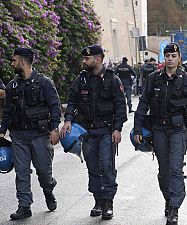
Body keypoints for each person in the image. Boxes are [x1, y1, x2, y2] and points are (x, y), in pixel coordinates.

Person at [133, 43, 187, 225]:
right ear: (164, 58)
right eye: (167, 55)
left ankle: (174, 208)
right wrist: (138, 128)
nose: (170, 58)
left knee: (175, 170)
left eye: (173, 55)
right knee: (164, 172)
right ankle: (168, 199)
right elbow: (143, 104)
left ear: (179, 57)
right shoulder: (154, 78)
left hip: (178, 130)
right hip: (159, 130)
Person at [60, 45, 127, 220]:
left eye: (87, 59)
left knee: (107, 167)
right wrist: (67, 120)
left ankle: (108, 202)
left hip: (106, 131)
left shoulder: (112, 79)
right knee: (93, 168)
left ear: (97, 59)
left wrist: (117, 129)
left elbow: (121, 106)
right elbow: (72, 101)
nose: (84, 61)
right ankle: (98, 200)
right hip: (87, 132)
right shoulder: (81, 80)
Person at [0, 47, 61, 219]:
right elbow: (8, 111)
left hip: (40, 135)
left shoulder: (44, 83)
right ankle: (24, 206)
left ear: (22, 61)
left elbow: (55, 107)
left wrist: (55, 128)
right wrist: (2, 130)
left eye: (14, 60)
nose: (11, 63)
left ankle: (48, 190)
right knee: (21, 172)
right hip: (19, 136)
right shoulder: (12, 85)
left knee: (44, 172)